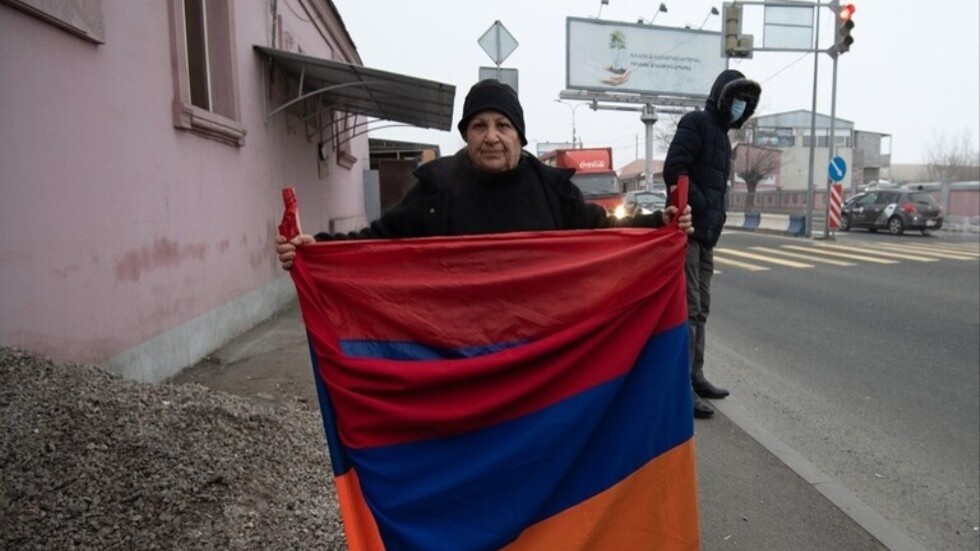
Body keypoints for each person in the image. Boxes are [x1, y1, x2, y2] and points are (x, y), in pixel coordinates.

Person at [277, 79, 692, 269]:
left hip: (540, 349)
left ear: (519, 136)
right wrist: (317, 248)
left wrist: (661, 222)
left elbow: (604, 232)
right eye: (479, 126)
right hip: (460, 353)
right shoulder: (435, 190)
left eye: (502, 125)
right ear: (466, 135)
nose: (491, 137)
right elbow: (378, 241)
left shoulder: (553, 190)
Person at [663, 69, 761, 419]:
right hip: (688, 231)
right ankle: (681, 387)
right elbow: (675, 169)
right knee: (688, 310)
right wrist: (702, 207)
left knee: (701, 307)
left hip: (706, 237)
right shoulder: (696, 123)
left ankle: (696, 376)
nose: (740, 107)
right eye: (737, 99)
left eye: (746, 103)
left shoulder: (722, 138)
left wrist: (716, 219)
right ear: (723, 96)